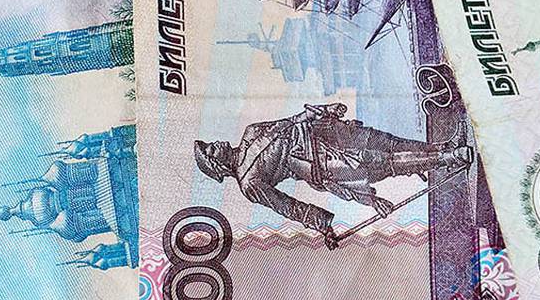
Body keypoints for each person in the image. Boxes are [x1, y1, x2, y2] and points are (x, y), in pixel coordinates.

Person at [195, 103, 472, 248]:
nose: (215, 144)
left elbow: (291, 121)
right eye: (210, 150)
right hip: (320, 162)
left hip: (323, 130)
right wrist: (323, 225)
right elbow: (288, 207)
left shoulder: (251, 131)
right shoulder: (249, 183)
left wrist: (324, 110)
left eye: (209, 144)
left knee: (387, 142)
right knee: (384, 162)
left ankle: (445, 147)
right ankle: (449, 159)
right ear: (217, 167)